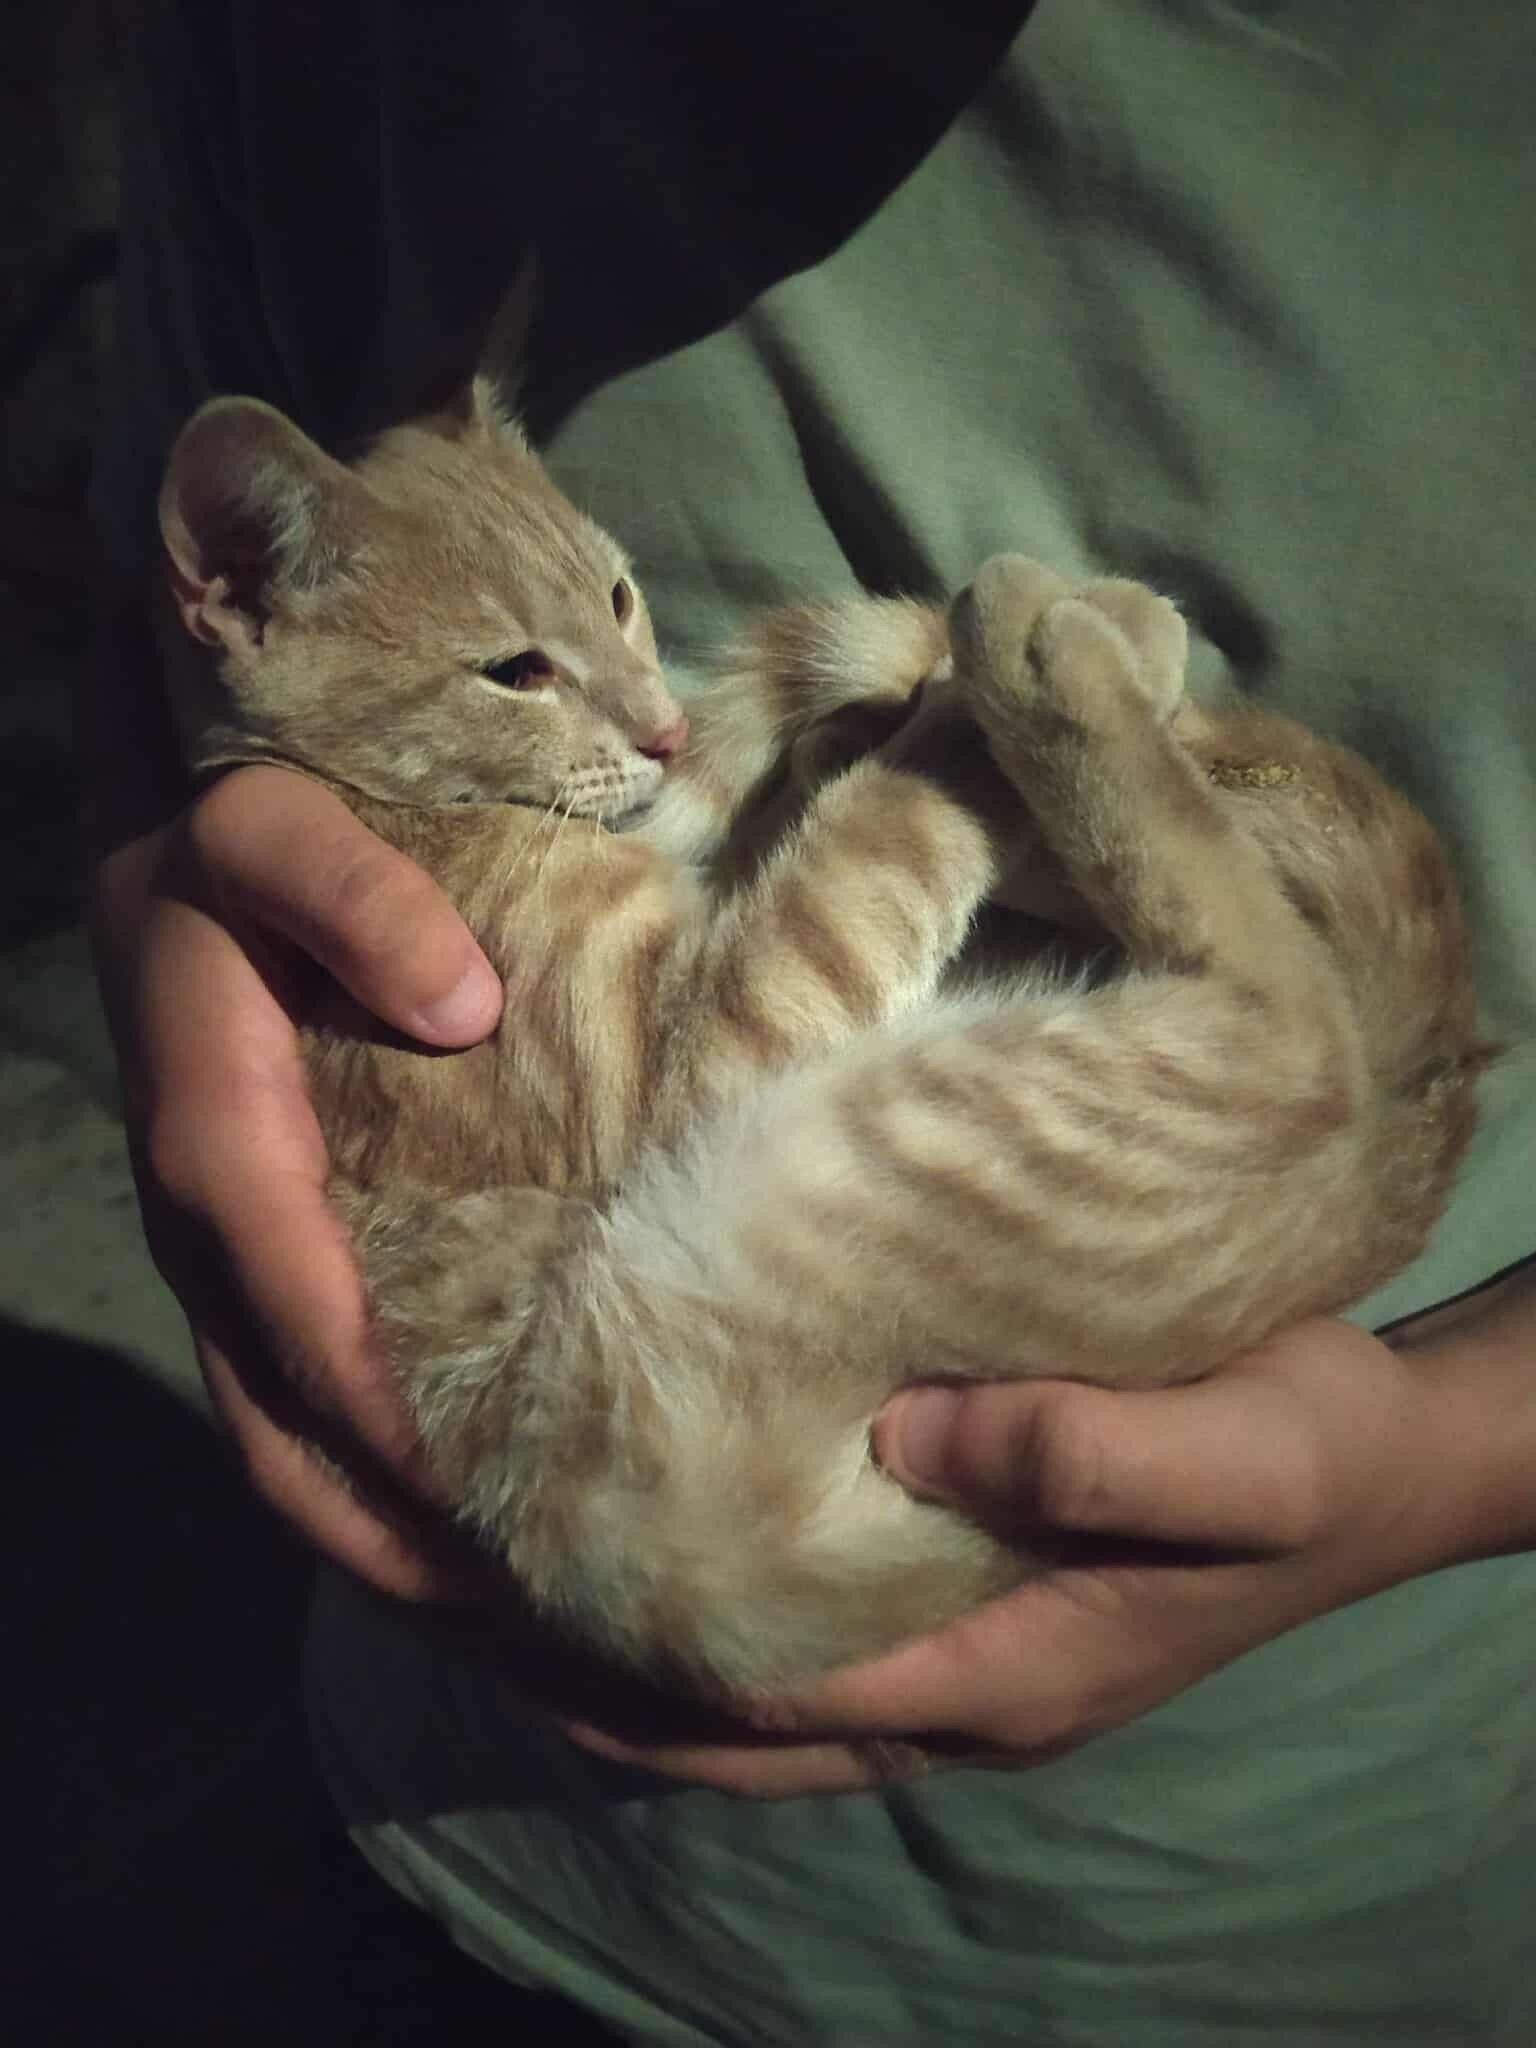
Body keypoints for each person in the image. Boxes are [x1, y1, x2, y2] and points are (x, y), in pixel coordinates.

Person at [90, 1, 1536, 2039]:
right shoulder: (279, 60)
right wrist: (149, 866)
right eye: (537, 664)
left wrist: (1460, 1453)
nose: (640, 700)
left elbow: (713, 1034)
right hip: (470, 1775)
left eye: (613, 606)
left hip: (1250, 1895)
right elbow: (137, 621)